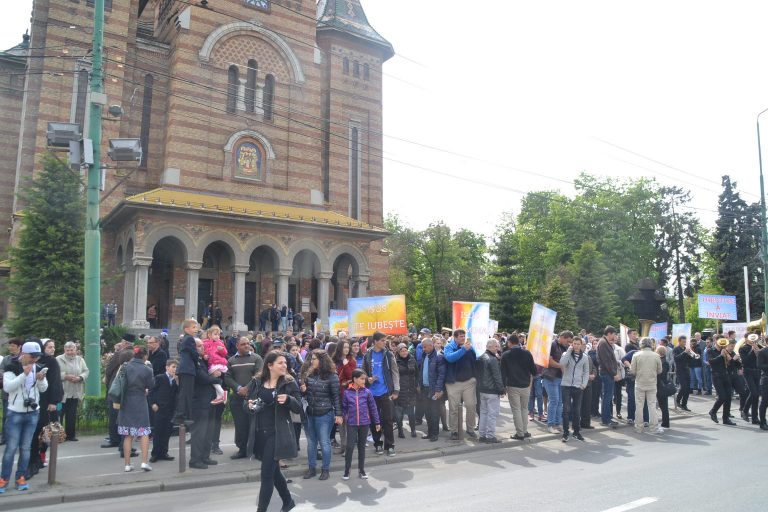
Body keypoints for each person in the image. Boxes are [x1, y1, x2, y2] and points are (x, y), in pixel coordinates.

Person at [248, 351, 302, 512]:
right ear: (269, 365)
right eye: (280, 363)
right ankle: (288, 501)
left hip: (278, 434)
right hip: (260, 433)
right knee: (274, 471)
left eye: (285, 363)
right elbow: (247, 404)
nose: (284, 365)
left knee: (266, 475)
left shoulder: (289, 383)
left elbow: (298, 407)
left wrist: (289, 400)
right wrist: (249, 405)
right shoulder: (257, 382)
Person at [0, 341, 48, 493]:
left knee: (26, 448)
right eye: (32, 356)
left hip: (32, 413)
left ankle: (20, 477)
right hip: (15, 413)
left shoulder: (38, 367)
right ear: (23, 353)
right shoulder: (11, 366)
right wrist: (24, 374)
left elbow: (43, 388)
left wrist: (41, 379)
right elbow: (8, 387)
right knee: (11, 448)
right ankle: (4, 479)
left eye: (37, 356)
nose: (35, 359)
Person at [300, 349, 342, 480]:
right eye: (311, 359)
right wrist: (303, 391)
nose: (311, 361)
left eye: (314, 359)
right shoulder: (310, 374)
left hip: (325, 414)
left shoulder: (332, 376)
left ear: (322, 361)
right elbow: (305, 394)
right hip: (310, 413)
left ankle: (325, 469)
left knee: (324, 443)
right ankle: (312, 468)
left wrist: (338, 414)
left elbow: (336, 397)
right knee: (311, 443)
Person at [29, 338, 63, 478]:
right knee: (35, 432)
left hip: (47, 401)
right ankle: (34, 458)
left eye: (53, 347)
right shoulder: (34, 361)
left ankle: (41, 455)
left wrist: (54, 401)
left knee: (45, 431)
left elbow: (55, 381)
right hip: (36, 401)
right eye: (49, 347)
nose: (52, 349)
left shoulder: (52, 361)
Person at [118, 346, 155, 472]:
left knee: (128, 434)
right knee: (143, 432)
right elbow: (151, 385)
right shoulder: (147, 369)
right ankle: (144, 462)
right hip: (140, 400)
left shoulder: (125, 366)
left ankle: (127, 465)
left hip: (126, 401)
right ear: (145, 356)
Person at [362, 331, 400, 455]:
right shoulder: (367, 355)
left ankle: (390, 445)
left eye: (385, 340)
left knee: (388, 420)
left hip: (386, 392)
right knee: (374, 420)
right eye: (383, 340)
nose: (385, 343)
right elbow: (363, 373)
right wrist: (368, 379)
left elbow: (395, 372)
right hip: (372, 393)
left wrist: (396, 390)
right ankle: (377, 443)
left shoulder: (388, 354)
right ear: (375, 342)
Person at [189, 338, 224, 469]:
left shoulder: (202, 360)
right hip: (199, 401)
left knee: (208, 431)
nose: (202, 348)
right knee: (199, 432)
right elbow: (201, 377)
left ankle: (205, 456)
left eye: (202, 346)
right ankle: (195, 460)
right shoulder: (193, 361)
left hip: (209, 400)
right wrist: (215, 379)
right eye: (198, 346)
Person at [341, 369, 380, 480]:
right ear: (355, 379)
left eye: (365, 378)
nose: (364, 381)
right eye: (362, 379)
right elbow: (344, 408)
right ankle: (347, 470)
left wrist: (377, 422)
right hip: (351, 423)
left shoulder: (367, 392)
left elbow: (373, 408)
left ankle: (361, 470)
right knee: (349, 447)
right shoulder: (347, 392)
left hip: (364, 423)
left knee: (361, 447)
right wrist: (341, 417)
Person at [103, 335, 136, 456]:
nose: (121, 343)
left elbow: (109, 369)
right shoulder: (133, 353)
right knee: (120, 416)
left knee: (114, 414)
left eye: (122, 342)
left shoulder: (120, 354)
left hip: (115, 386)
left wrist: (107, 380)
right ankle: (121, 441)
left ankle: (115, 439)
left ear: (125, 343)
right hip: (125, 389)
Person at [443, 329, 478, 440]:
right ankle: (454, 431)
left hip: (469, 382)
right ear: (455, 337)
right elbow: (450, 358)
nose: (463, 338)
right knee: (453, 408)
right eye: (461, 336)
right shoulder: (449, 347)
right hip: (453, 383)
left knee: (471, 405)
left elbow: (474, 360)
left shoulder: (468, 347)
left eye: (464, 336)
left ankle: (470, 429)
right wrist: (463, 350)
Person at [500, 333, 536, 440]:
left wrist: (503, 387)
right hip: (526, 385)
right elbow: (534, 370)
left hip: (513, 385)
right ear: (519, 342)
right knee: (524, 409)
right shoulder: (527, 353)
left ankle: (519, 433)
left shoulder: (505, 355)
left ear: (509, 343)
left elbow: (503, 373)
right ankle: (524, 431)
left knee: (516, 410)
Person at [55, 341, 89, 442]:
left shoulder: (80, 359)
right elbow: (54, 374)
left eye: (72, 350)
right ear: (64, 350)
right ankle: (58, 436)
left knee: (71, 415)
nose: (70, 352)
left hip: (75, 392)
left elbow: (86, 371)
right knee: (59, 414)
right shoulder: (58, 359)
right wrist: (65, 376)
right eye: (68, 350)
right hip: (62, 394)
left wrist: (80, 377)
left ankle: (71, 435)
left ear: (75, 350)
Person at [559, 336, 589, 442]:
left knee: (577, 411)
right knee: (566, 410)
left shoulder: (585, 357)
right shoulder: (566, 354)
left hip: (578, 387)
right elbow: (562, 364)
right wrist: (568, 351)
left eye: (578, 344)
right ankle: (566, 433)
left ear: (581, 345)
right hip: (566, 385)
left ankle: (576, 432)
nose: (576, 345)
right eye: (574, 344)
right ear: (572, 344)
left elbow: (586, 372)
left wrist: (584, 384)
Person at [148, 359, 178, 463]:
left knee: (167, 432)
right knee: (158, 432)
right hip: (159, 408)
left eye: (176, 367)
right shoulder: (160, 378)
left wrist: (177, 382)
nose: (175, 369)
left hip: (170, 409)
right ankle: (155, 454)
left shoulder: (175, 380)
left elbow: (177, 394)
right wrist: (153, 403)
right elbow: (151, 391)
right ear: (167, 367)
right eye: (173, 367)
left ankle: (164, 452)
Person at [631, 337, 663, 434]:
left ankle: (639, 428)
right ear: (651, 344)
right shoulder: (656, 355)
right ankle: (654, 428)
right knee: (652, 405)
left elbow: (633, 371)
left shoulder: (636, 355)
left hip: (640, 383)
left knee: (639, 405)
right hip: (652, 383)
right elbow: (660, 370)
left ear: (641, 344)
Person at [475, 339, 505, 443]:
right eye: (496, 346)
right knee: (492, 414)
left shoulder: (480, 357)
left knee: (483, 413)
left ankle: (482, 435)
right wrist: (501, 390)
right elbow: (497, 376)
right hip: (492, 391)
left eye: (497, 346)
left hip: (482, 390)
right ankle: (490, 436)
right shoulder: (492, 359)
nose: (497, 348)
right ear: (489, 346)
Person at [417, 336, 445, 442]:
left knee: (434, 413)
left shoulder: (439, 356)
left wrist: (438, 390)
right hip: (424, 388)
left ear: (430, 345)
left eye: (424, 347)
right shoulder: (425, 355)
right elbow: (421, 371)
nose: (423, 349)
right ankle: (429, 433)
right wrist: (419, 384)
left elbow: (441, 375)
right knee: (427, 413)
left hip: (433, 389)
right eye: (422, 347)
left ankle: (435, 434)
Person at [542, 331, 572, 434]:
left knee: (559, 402)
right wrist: (562, 366)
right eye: (567, 341)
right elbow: (549, 361)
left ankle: (558, 424)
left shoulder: (565, 347)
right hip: (550, 377)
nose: (568, 343)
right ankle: (551, 425)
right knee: (554, 401)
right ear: (562, 337)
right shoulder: (552, 344)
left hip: (560, 377)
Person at [708, 337, 739, 425]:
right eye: (720, 342)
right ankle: (713, 411)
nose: (722, 344)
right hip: (716, 376)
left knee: (729, 398)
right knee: (722, 397)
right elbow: (711, 362)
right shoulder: (711, 351)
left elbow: (731, 365)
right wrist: (720, 356)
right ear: (715, 342)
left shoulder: (726, 351)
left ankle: (726, 418)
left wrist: (733, 360)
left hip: (726, 376)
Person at [173, 319, 199, 426]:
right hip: (187, 369)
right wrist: (199, 357)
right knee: (186, 393)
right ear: (186, 329)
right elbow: (194, 354)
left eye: (196, 327)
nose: (196, 329)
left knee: (184, 392)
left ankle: (181, 415)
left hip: (184, 368)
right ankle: (182, 415)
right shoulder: (190, 339)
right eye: (193, 327)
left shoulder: (185, 339)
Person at [597, 326, 620, 427]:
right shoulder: (603, 343)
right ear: (609, 333)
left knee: (608, 397)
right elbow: (606, 361)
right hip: (607, 374)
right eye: (614, 334)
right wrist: (614, 373)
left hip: (607, 373)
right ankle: (606, 420)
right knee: (607, 397)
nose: (615, 336)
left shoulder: (604, 342)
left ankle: (607, 418)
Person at [394, 343, 418, 439]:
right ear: (398, 352)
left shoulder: (412, 359)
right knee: (400, 412)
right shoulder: (395, 362)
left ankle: (413, 430)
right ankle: (400, 431)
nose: (404, 352)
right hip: (401, 389)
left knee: (411, 412)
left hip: (411, 389)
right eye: (402, 351)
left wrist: (417, 385)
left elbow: (417, 373)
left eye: (405, 350)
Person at [739, 333, 761, 425]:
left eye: (754, 339)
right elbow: (744, 361)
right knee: (754, 393)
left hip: (757, 371)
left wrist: (758, 352)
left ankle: (755, 418)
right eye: (750, 339)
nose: (753, 340)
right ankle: (744, 410)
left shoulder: (758, 346)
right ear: (746, 339)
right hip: (748, 372)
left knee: (756, 396)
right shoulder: (743, 348)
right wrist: (752, 351)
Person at [673, 335, 696, 411]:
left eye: (685, 341)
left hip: (686, 370)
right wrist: (684, 352)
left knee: (688, 388)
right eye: (683, 342)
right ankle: (677, 401)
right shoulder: (676, 349)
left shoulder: (686, 349)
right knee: (683, 387)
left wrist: (691, 355)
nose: (685, 343)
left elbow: (690, 360)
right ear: (679, 341)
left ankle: (684, 404)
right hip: (680, 370)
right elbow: (676, 358)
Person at [656, 346, 671, 429]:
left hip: (660, 385)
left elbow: (661, 373)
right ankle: (665, 422)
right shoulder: (664, 361)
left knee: (663, 405)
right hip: (662, 384)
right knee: (663, 405)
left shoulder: (663, 361)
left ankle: (665, 423)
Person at [757, 338, 768, 430]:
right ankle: (762, 422)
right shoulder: (762, 352)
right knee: (765, 401)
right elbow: (759, 365)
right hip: (766, 379)